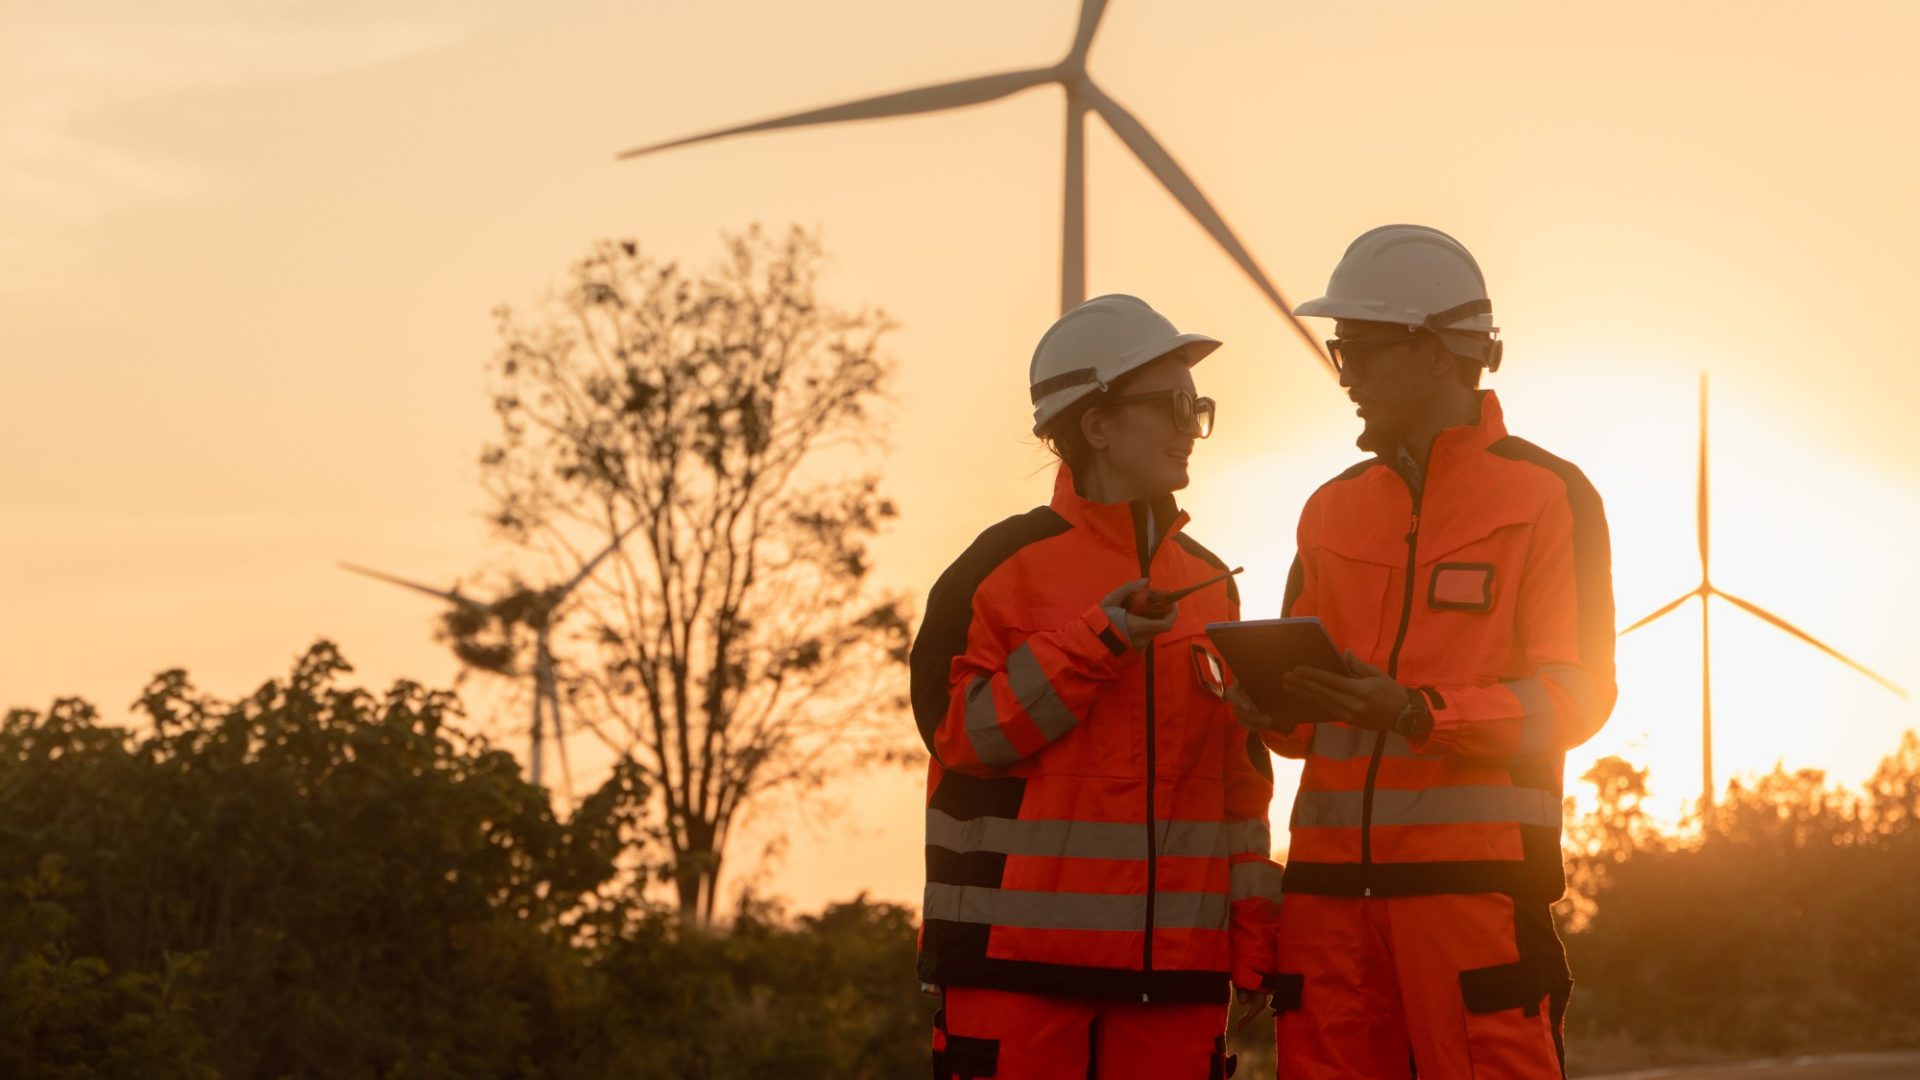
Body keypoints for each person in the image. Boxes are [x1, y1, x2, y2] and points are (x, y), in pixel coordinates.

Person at [1241, 225, 1617, 1078]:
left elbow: (1579, 693)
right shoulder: (1328, 510)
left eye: (1362, 352)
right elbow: (1304, 728)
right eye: (1342, 353)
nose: (1348, 379)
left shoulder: (1548, 495)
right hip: (1329, 909)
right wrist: (1273, 708)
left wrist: (1420, 714)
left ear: (1442, 353)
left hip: (1473, 901)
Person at [910, 294, 1285, 1079]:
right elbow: (965, 738)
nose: (1192, 425)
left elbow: (1238, 787)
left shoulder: (1213, 584)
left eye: (1199, 405)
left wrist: (1253, 937)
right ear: (1096, 424)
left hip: (1176, 985)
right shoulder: (997, 570)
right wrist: (1097, 640)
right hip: (1015, 975)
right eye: (1172, 404)